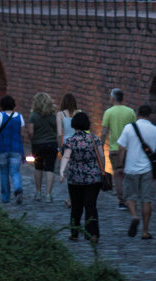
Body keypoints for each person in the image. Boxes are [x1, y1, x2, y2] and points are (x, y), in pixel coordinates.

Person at [115, 103, 156, 240]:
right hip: (147, 169)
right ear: (150, 116)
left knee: (130, 196)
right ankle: (145, 231)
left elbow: (121, 149)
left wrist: (120, 165)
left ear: (138, 114)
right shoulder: (155, 130)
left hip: (131, 168)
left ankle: (134, 215)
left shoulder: (128, 128)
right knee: (146, 200)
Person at [58, 111, 102, 242]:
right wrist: (102, 169)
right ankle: (93, 233)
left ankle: (75, 233)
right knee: (91, 205)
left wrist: (62, 171)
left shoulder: (71, 140)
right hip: (93, 177)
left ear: (74, 125)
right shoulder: (95, 139)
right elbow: (101, 155)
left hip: (75, 178)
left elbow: (66, 156)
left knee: (76, 207)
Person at [0, 95, 27, 205]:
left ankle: (5, 197)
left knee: (4, 172)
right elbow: (22, 134)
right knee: (15, 171)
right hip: (16, 148)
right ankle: (18, 188)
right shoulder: (20, 116)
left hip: (2, 148)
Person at [101, 88, 136, 208]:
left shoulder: (109, 112)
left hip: (115, 148)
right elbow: (134, 130)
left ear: (112, 98)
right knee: (128, 174)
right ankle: (130, 198)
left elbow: (104, 131)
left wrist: (100, 145)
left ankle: (122, 200)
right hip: (129, 149)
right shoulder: (130, 112)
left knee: (118, 174)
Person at [27, 92, 59, 202]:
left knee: (38, 167)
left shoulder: (33, 115)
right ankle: (49, 194)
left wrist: (32, 139)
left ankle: (38, 192)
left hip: (38, 144)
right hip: (51, 144)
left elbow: (31, 132)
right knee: (50, 168)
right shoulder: (53, 115)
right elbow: (57, 129)